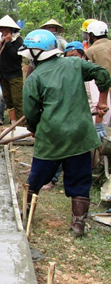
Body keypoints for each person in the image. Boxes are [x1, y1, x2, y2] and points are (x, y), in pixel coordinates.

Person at [20, 29, 111, 237]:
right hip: (80, 134)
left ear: (35, 53)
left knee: (36, 179)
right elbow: (103, 74)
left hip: (52, 137)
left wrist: (34, 129)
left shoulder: (35, 78)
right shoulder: (75, 63)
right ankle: (78, 224)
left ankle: (25, 212)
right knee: (80, 180)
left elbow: (31, 112)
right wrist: (103, 100)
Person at [42, 41, 111, 190]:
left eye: (75, 56)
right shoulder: (66, 75)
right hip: (71, 117)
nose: (72, 60)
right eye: (68, 57)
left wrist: (98, 123)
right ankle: (54, 178)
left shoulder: (90, 76)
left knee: (72, 149)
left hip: (87, 119)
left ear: (83, 56)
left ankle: (66, 181)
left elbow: (99, 104)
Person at [0, 15, 24, 125]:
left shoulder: (18, 41)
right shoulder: (2, 42)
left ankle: (22, 127)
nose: (4, 31)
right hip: (4, 76)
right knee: (9, 102)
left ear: (11, 29)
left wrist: (9, 43)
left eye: (6, 29)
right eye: (2, 29)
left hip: (14, 76)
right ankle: (13, 124)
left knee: (18, 102)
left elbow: (15, 56)